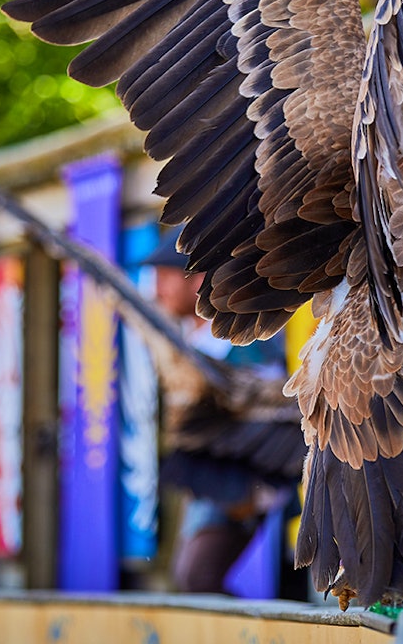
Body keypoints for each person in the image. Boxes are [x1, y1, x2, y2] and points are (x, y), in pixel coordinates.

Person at [142, 227, 300, 596]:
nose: (157, 289)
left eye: (166, 277)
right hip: (205, 475)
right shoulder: (182, 344)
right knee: (186, 580)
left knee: (197, 577)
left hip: (246, 480)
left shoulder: (250, 339)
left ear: (198, 281)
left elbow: (280, 415)